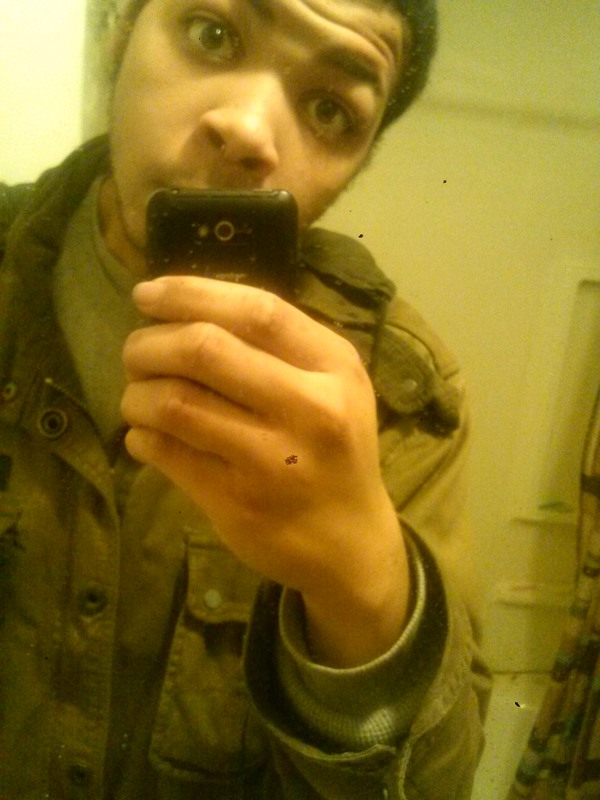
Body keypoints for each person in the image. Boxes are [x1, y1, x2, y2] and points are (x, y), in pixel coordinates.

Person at [0, 0, 491, 797]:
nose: (249, 130)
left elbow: (439, 785)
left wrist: (365, 588)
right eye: (213, 33)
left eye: (329, 110)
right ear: (121, 29)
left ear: (355, 165)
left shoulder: (398, 396)